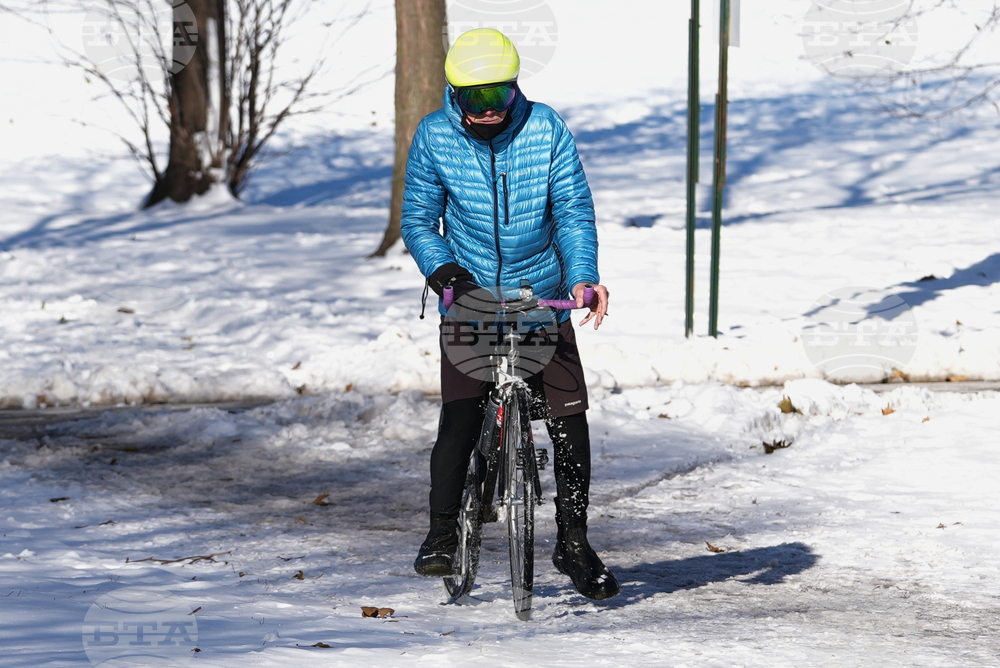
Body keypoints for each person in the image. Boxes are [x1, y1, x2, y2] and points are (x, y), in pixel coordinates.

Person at [400, 28, 619, 601]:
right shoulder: (434, 135)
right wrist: (445, 272)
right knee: (461, 416)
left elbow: (572, 210)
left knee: (569, 419)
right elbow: (418, 220)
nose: (489, 107)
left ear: (516, 87)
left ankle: (573, 542)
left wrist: (582, 278)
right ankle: (442, 532)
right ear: (455, 94)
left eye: (499, 93)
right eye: (475, 97)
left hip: (540, 297)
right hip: (470, 297)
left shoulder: (546, 128)